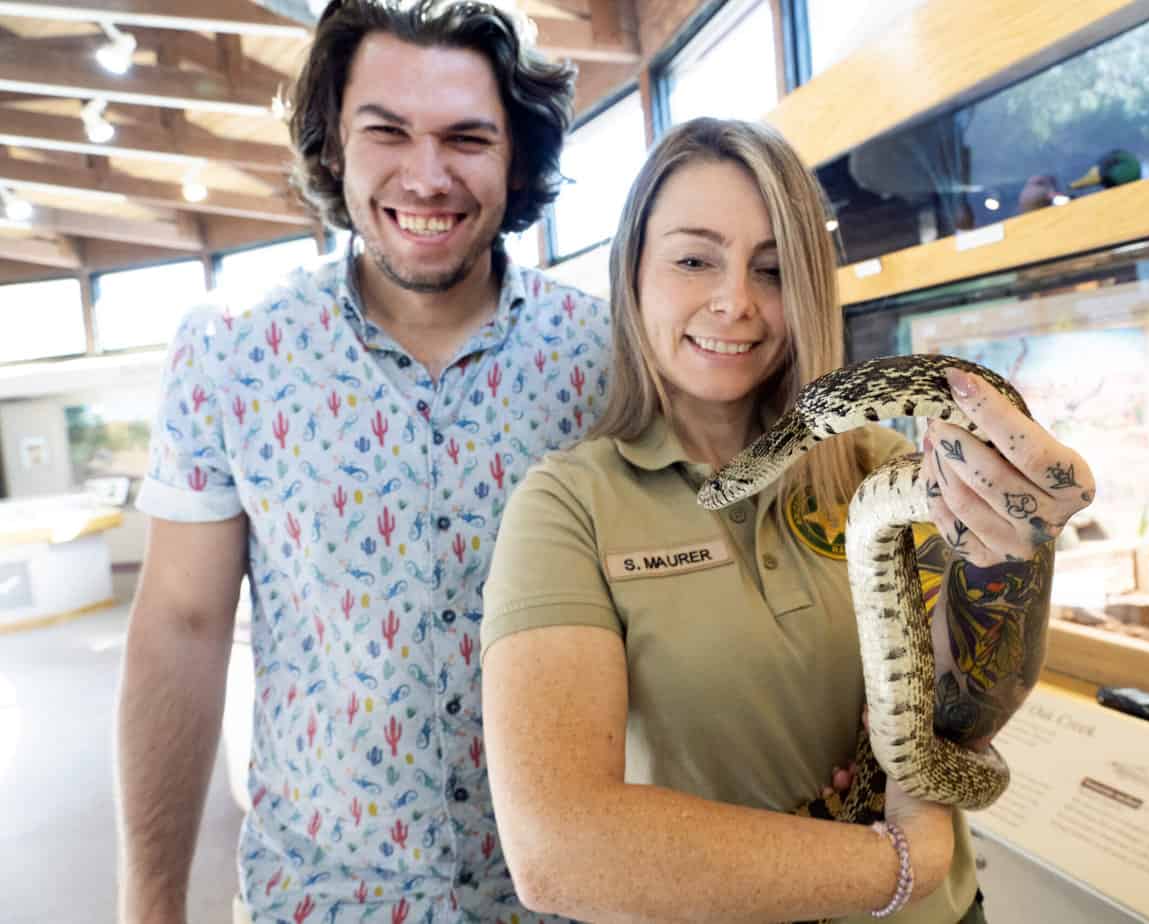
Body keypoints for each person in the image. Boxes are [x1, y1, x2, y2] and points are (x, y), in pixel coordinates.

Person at [481, 117, 1095, 923]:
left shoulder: (880, 462)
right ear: (632, 275)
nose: (737, 303)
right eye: (694, 259)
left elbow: (961, 721)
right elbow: (560, 851)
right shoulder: (568, 504)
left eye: (772, 270)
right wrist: (896, 860)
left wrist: (1015, 559)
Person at [116, 2, 610, 921]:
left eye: (468, 138)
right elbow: (181, 627)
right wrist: (150, 903)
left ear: (518, 158)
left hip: (576, 895)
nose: (427, 177)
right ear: (334, 145)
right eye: (387, 131)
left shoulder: (605, 359)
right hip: (322, 897)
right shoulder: (233, 353)